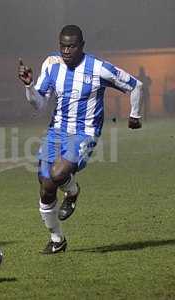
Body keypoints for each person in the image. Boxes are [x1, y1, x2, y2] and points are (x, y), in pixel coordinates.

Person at [18, 25, 142, 254]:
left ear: (82, 46)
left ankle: (73, 191)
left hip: (84, 133)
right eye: (62, 46)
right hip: (56, 131)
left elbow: (135, 85)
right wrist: (28, 86)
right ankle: (57, 240)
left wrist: (135, 115)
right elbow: (39, 104)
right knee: (46, 187)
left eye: (71, 46)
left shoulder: (98, 68)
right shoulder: (51, 65)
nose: (66, 51)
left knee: (58, 174)